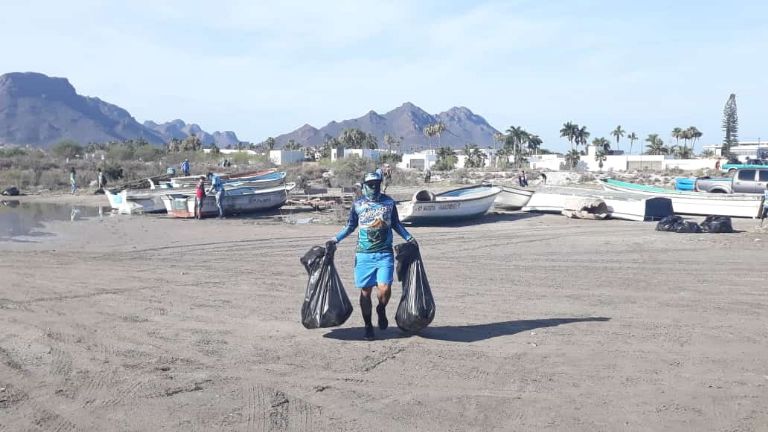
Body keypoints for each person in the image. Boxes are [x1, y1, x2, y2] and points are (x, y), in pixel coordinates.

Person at [328, 171, 416, 341]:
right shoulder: (358, 205)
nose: (374, 187)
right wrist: (334, 239)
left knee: (385, 288)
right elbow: (350, 226)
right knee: (365, 293)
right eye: (370, 185)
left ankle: (381, 309)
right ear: (364, 186)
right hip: (364, 255)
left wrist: (409, 238)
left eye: (377, 184)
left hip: (385, 254)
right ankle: (368, 326)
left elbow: (396, 224)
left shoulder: (389, 203)